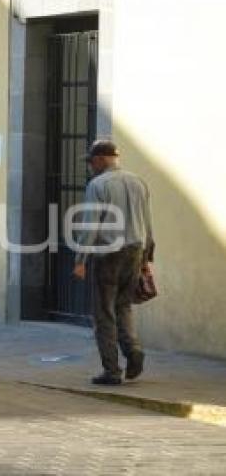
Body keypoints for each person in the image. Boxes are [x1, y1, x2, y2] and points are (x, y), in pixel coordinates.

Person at [73, 140, 154, 385]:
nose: (89, 167)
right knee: (124, 306)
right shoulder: (139, 182)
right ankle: (134, 350)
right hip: (135, 250)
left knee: (104, 313)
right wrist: (147, 258)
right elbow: (148, 224)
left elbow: (91, 225)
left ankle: (111, 371)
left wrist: (80, 259)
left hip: (108, 254)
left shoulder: (97, 185)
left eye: (91, 162)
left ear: (100, 159)